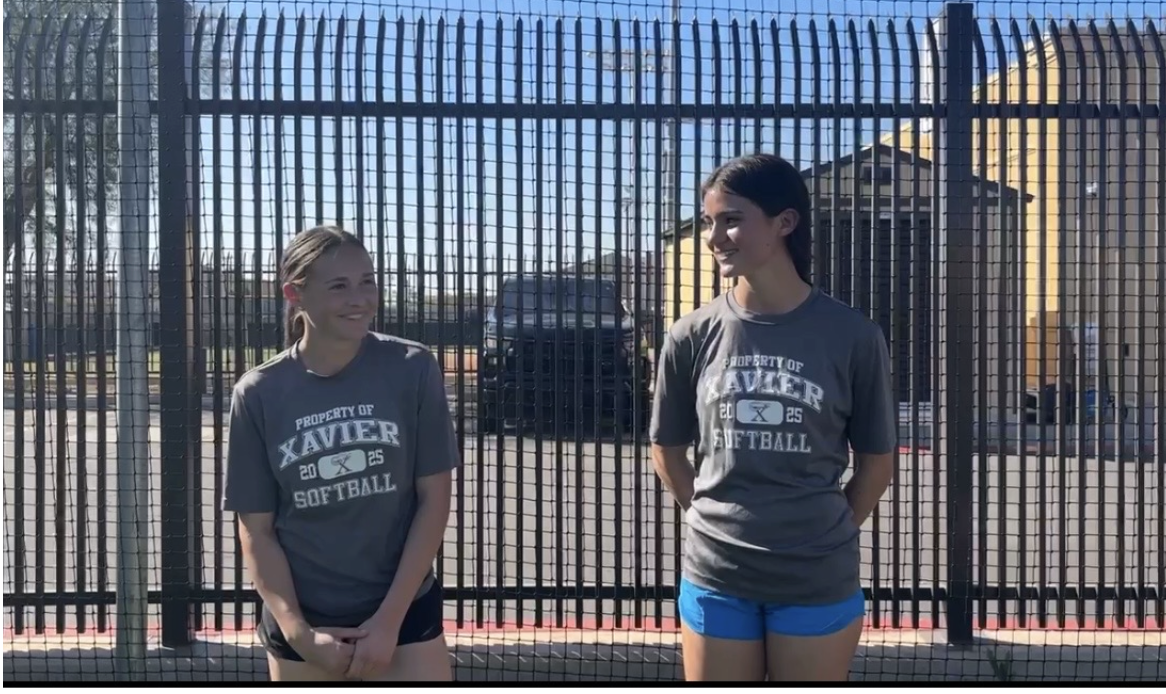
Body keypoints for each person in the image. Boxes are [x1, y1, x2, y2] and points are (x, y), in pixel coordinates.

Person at [649, 154, 896, 682]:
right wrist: (709, 519)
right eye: (710, 221)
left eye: (732, 219)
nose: (715, 236)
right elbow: (665, 449)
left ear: (785, 222)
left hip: (816, 578)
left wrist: (825, 534)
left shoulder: (853, 336)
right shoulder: (689, 335)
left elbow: (876, 463)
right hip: (717, 576)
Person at [222, 225, 460, 682]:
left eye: (367, 281)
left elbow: (434, 500)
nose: (360, 298)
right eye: (339, 286)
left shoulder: (413, 367)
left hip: (402, 614)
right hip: (305, 626)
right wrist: (300, 635)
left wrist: (387, 623)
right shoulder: (258, 393)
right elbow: (256, 531)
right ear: (295, 293)